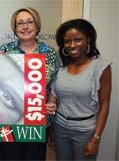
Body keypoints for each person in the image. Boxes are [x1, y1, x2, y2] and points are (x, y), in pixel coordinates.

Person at [0, 7, 59, 160]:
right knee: (8, 156)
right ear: (15, 28)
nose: (25, 27)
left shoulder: (49, 53)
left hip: (37, 122)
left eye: (30, 22)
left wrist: (51, 103)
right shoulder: (4, 50)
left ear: (37, 26)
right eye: (20, 23)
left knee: (33, 157)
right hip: (8, 121)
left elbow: (56, 84)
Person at [48, 18, 112, 160]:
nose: (72, 45)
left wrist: (96, 138)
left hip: (86, 131)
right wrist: (51, 130)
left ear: (88, 39)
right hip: (60, 128)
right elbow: (54, 99)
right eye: (67, 41)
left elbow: (105, 104)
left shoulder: (100, 67)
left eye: (78, 40)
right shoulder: (62, 67)